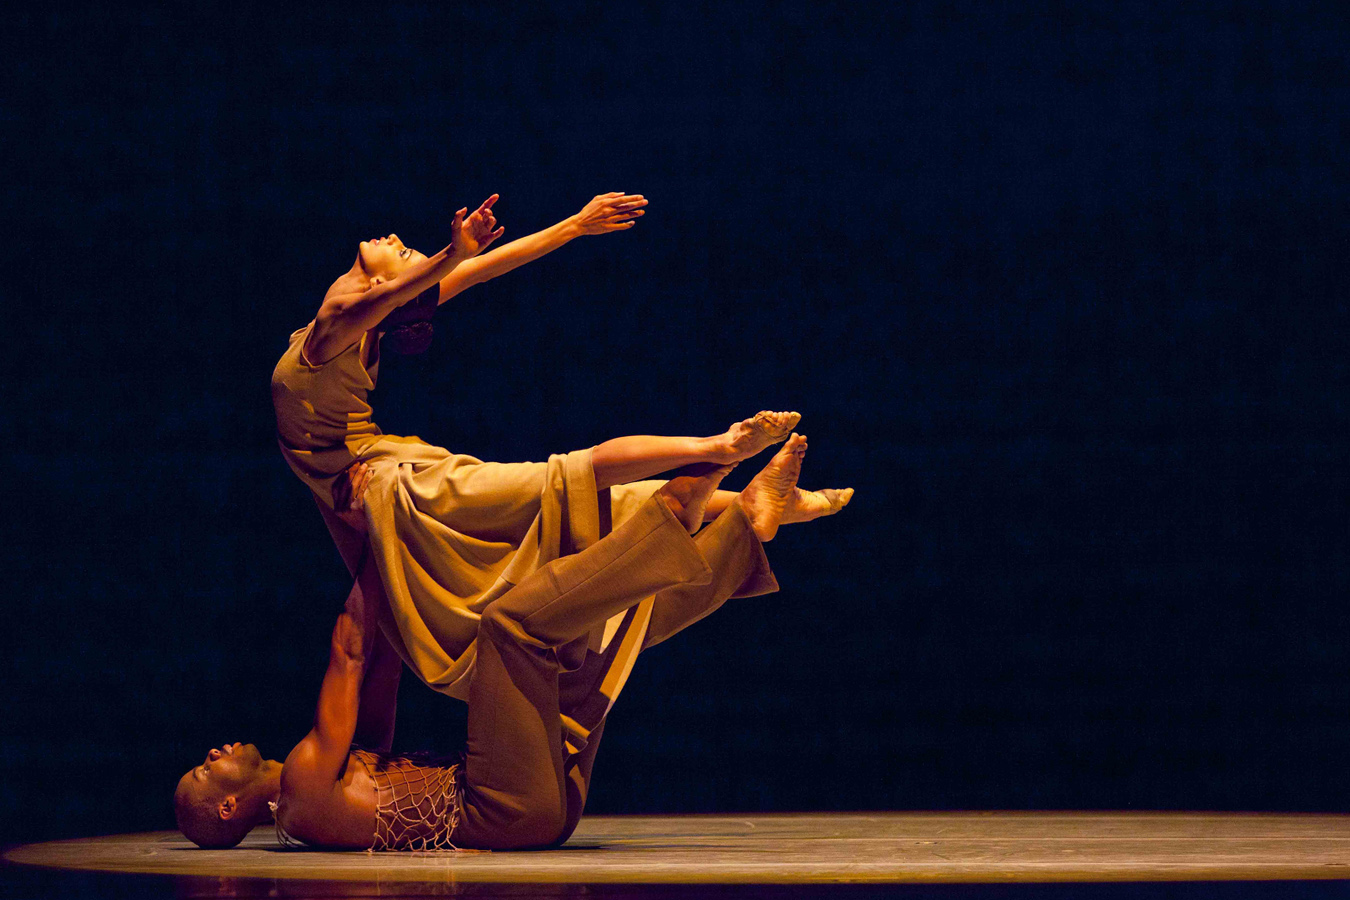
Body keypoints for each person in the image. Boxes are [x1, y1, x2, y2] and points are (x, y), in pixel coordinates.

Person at [271, 193, 846, 709]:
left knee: (571, 484)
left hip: (397, 476)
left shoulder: (348, 322)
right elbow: (422, 283)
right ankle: (736, 481)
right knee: (567, 486)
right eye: (406, 253)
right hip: (381, 481)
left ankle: (734, 469)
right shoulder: (346, 320)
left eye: (406, 253)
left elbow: (482, 269)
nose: (397, 239)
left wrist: (574, 224)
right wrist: (450, 255)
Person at [176, 436, 851, 850]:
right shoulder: (299, 787)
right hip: (506, 810)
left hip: (536, 800)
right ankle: (675, 509)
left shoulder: (329, 783)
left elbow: (380, 664)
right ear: (230, 809)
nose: (211, 754)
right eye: (205, 772)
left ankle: (744, 527)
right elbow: (350, 652)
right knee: (509, 628)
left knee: (602, 630)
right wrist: (377, 520)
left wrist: (405, 569)